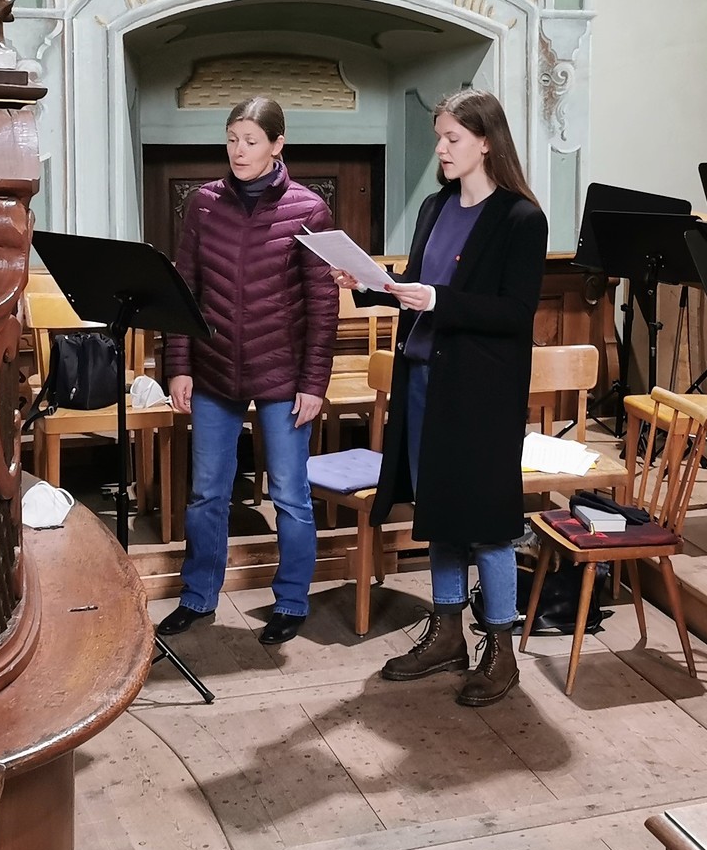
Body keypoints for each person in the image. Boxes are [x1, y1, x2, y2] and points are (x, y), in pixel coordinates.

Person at [334, 88, 547, 707]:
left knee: (489, 524)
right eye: (440, 138)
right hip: (424, 380)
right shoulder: (436, 206)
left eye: (453, 138)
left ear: (487, 142)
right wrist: (368, 286)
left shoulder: (520, 218)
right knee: (440, 511)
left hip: (480, 393)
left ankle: (500, 650)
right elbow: (416, 285)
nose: (442, 149)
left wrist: (439, 301)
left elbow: (515, 313)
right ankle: (448, 633)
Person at [159, 96, 339, 645]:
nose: (239, 150)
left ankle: (291, 601)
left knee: (290, 495)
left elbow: (323, 306)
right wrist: (178, 365)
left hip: (284, 376)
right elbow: (184, 288)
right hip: (214, 370)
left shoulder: (309, 209)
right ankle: (198, 596)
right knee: (206, 494)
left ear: (278, 145)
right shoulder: (204, 204)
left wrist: (314, 384)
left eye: (251, 141)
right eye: (232, 139)